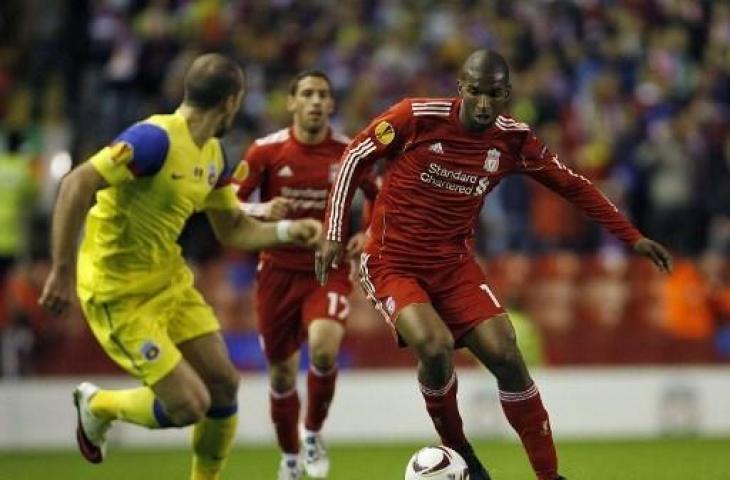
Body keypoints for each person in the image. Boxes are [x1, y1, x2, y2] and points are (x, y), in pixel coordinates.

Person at [316, 50, 673, 480]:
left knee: (506, 351)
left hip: (453, 264)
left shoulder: (514, 140)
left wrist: (631, 236)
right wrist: (334, 231)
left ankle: (549, 475)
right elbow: (354, 156)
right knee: (434, 345)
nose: (485, 104)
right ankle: (458, 448)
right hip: (393, 261)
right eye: (476, 92)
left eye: (495, 94)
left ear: (508, 94)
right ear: (461, 88)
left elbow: (573, 185)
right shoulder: (416, 117)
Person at [38, 53, 321, 480]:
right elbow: (77, 183)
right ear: (230, 102)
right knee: (189, 406)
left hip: (168, 281)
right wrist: (60, 269)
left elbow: (233, 230)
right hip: (119, 293)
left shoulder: (213, 155)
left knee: (224, 386)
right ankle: (97, 406)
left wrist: (286, 232)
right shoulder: (155, 140)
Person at [234, 69, 374, 480]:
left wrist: (367, 232)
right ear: (292, 102)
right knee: (280, 374)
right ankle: (291, 457)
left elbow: (380, 195)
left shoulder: (350, 152)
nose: (315, 101)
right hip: (276, 271)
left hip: (326, 270)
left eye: (323, 95)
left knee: (324, 348)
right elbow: (227, 200)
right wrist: (261, 209)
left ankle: (312, 432)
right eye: (307, 94)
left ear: (332, 104)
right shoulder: (265, 151)